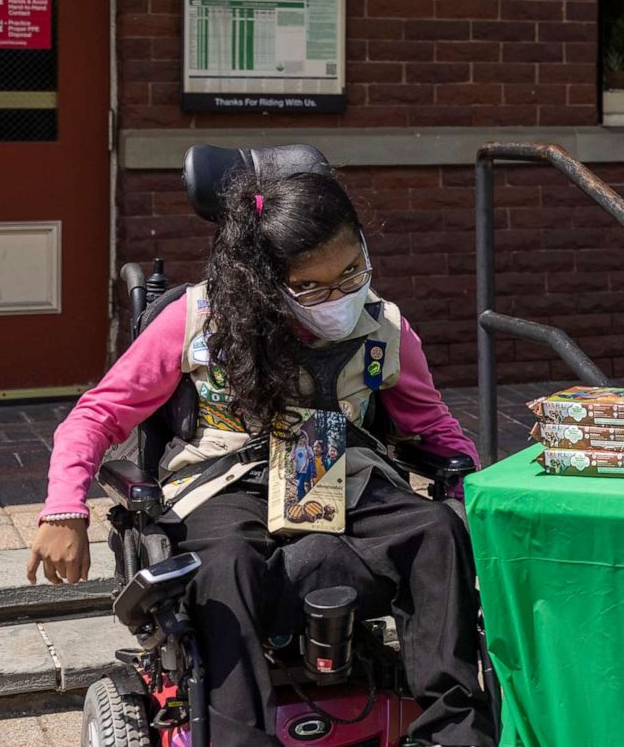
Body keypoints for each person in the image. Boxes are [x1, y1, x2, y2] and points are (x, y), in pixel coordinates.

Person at [24, 171, 491, 744]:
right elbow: (98, 414)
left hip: (340, 471)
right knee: (221, 567)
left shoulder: (381, 328)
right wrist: (63, 508)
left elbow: (431, 424)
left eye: (351, 273)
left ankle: (453, 733)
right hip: (227, 482)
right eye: (311, 288)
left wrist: (468, 482)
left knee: (438, 530)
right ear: (263, 280)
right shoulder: (196, 321)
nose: (340, 298)